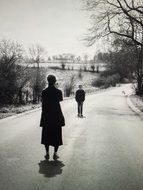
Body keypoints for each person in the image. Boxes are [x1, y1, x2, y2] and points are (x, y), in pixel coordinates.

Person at [40, 75, 65, 160]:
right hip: (56, 115)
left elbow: (43, 103)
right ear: (55, 81)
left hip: (47, 115)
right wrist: (56, 88)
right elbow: (60, 99)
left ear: (47, 81)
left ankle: (47, 153)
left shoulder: (44, 91)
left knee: (46, 135)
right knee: (57, 135)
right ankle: (55, 153)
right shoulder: (58, 91)